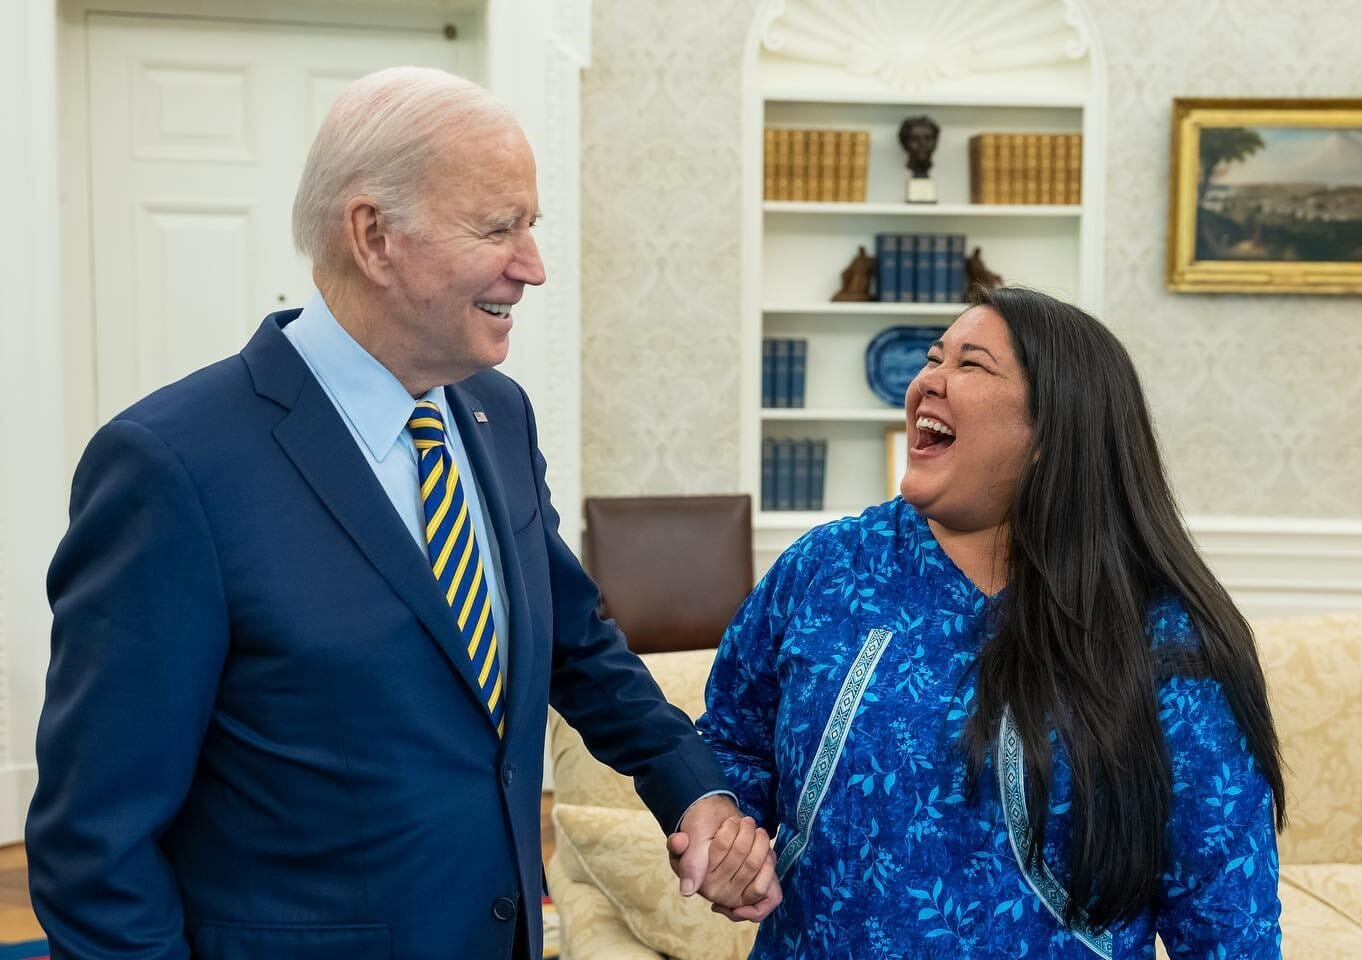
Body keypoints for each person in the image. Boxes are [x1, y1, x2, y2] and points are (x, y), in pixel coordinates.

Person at [28, 66, 777, 960]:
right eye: (499, 227)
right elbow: (94, 846)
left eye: (531, 224)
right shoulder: (170, 466)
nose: (533, 266)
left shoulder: (498, 415)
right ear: (374, 236)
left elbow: (578, 646)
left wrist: (694, 789)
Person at [698, 286, 1287, 958]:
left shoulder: (1164, 636)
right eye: (932, 358)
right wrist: (724, 824)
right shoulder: (826, 569)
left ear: (1051, 433)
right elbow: (731, 739)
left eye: (971, 365)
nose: (927, 381)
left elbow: (1226, 918)